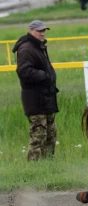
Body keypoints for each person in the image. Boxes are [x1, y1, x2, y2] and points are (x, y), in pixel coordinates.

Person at [12, 20, 59, 161]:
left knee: (51, 133)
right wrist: (45, 76)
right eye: (39, 31)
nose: (42, 33)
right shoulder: (26, 48)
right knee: (38, 135)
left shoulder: (37, 46)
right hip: (35, 99)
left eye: (44, 30)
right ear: (31, 31)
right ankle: (33, 165)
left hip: (46, 97)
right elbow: (24, 72)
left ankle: (48, 163)